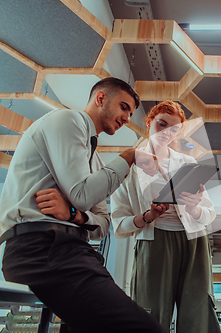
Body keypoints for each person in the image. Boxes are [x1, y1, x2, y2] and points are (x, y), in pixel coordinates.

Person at [0, 77, 167, 333]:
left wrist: (75, 215)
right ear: (101, 98)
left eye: (131, 113)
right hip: (40, 247)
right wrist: (130, 156)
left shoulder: (96, 162)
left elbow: (102, 225)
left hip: (73, 250)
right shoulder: (67, 120)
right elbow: (82, 194)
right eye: (123, 107)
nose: (126, 117)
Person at [110, 100, 220, 332]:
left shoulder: (188, 163)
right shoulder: (131, 164)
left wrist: (194, 208)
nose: (165, 133)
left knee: (198, 311)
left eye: (173, 130)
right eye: (161, 124)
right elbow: (119, 222)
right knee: (150, 310)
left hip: (194, 241)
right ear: (149, 122)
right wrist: (149, 215)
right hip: (154, 242)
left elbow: (209, 214)